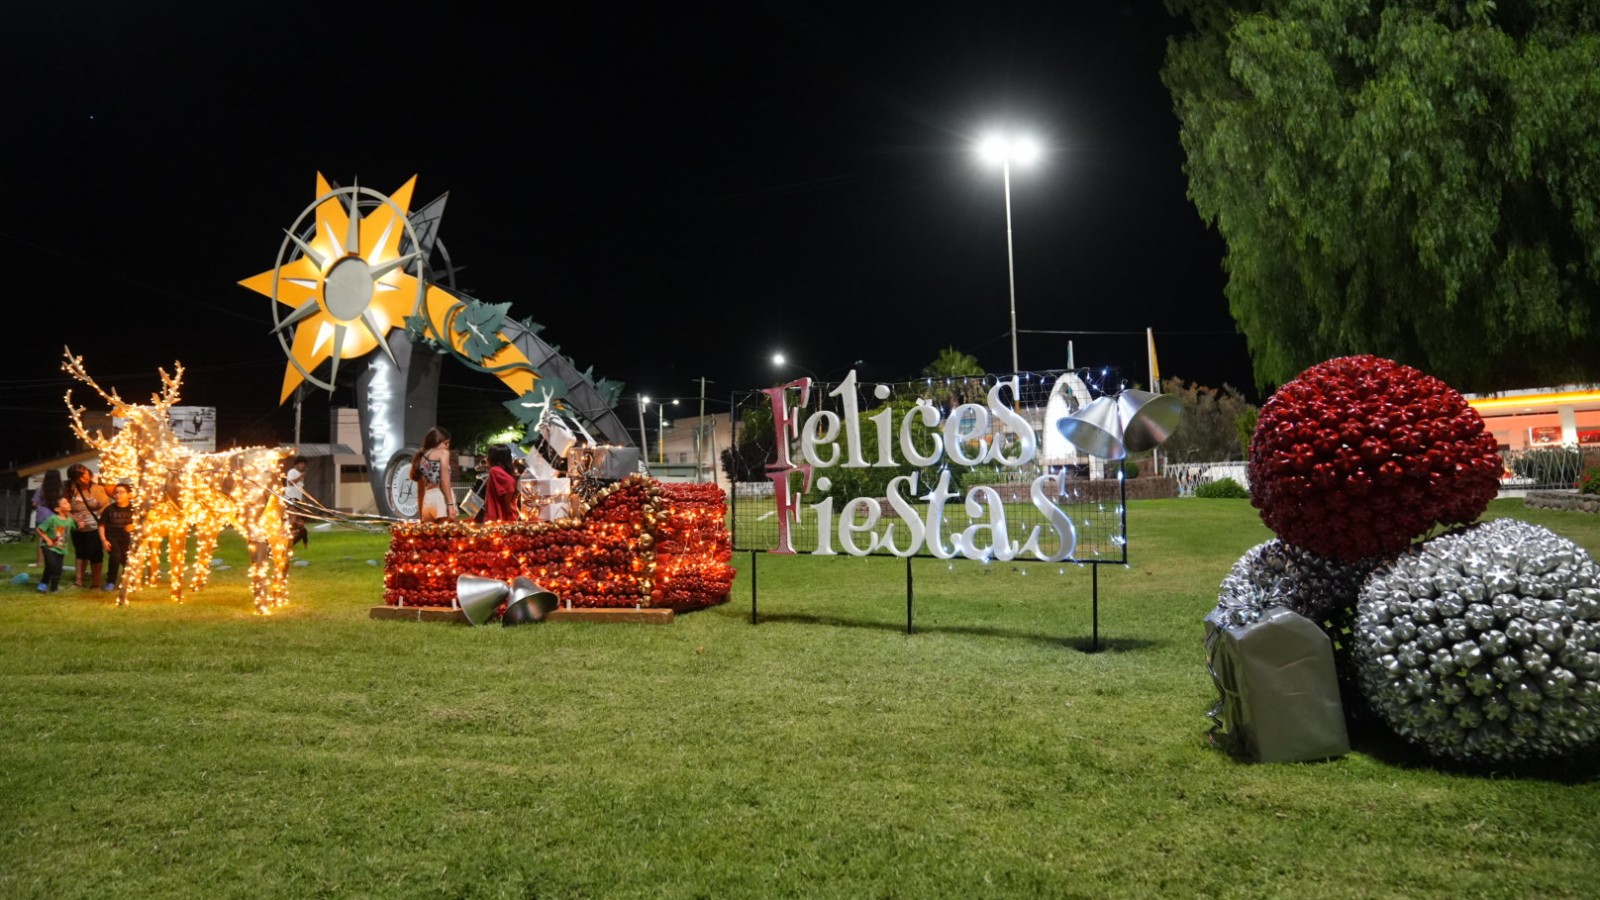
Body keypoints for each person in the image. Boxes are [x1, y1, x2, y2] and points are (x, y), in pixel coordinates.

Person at [65, 463, 110, 589]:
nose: (85, 478)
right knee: (80, 553)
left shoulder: (98, 487)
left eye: (85, 474)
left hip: (95, 527)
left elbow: (106, 506)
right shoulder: (70, 489)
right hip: (78, 528)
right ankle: (79, 581)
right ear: (75, 479)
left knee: (95, 553)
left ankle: (96, 583)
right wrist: (76, 520)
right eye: (81, 476)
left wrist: (102, 520)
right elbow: (66, 508)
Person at [410, 427, 456, 522]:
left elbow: (420, 490)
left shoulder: (422, 458)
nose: (448, 446)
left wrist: (421, 514)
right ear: (436, 442)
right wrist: (450, 505)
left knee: (431, 536)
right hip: (441, 499)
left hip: (427, 503)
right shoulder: (443, 453)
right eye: (446, 443)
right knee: (451, 535)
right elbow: (444, 479)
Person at [99, 483, 136, 591]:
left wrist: (134, 526)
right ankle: (110, 582)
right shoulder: (109, 509)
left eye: (121, 492)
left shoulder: (134, 509)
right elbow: (101, 525)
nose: (118, 495)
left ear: (129, 495)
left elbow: (142, 522)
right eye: (116, 492)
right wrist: (103, 540)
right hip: (112, 538)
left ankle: (127, 581)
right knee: (115, 557)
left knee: (126, 560)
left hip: (127, 539)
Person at [36, 496, 73, 593]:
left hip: (61, 548)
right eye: (65, 503)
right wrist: (47, 540)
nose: (68, 504)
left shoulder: (69, 520)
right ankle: (44, 583)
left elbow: (75, 528)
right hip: (49, 547)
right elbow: (39, 530)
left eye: (68, 502)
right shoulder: (52, 519)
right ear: (57, 509)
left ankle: (54, 588)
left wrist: (81, 524)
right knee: (51, 565)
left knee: (58, 569)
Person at [30, 469, 64, 569]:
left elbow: (34, 503)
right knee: (59, 537)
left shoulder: (41, 489)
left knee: (42, 538)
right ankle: (57, 561)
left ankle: (40, 562)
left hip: (43, 515)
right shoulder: (61, 489)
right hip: (58, 514)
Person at [481, 443, 520, 522]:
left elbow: (509, 486)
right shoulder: (505, 470)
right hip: (506, 515)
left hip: (499, 516)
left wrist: (509, 506)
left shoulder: (494, 470)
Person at [284, 457, 309, 547]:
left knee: (295, 519)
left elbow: (300, 489)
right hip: (291, 497)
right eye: (301, 463)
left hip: (298, 499)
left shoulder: (299, 474)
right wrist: (301, 476)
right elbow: (291, 483)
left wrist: (303, 500)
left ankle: (290, 538)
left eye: (304, 464)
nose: (303, 465)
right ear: (297, 464)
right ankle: (287, 534)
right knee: (293, 517)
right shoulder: (292, 471)